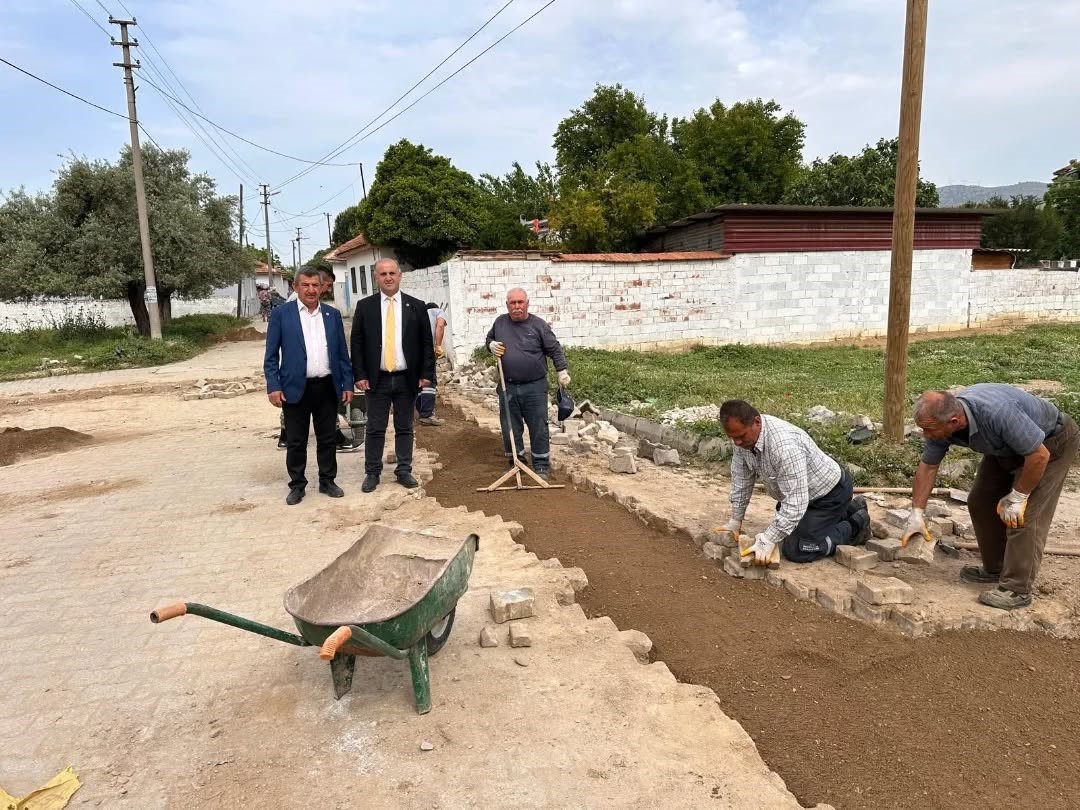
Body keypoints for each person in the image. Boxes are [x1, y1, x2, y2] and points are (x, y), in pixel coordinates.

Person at [905, 385, 1079, 610]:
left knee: (1023, 516)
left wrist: (1018, 497)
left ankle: (1017, 589)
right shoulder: (942, 421)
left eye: (929, 430)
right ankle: (995, 569)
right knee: (981, 502)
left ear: (954, 422)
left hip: (1050, 445)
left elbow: (1038, 456)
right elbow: (928, 466)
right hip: (1006, 447)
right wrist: (916, 513)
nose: (926, 435)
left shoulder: (997, 414)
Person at [716, 400, 870, 565]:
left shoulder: (784, 447)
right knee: (785, 526)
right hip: (806, 495)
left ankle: (857, 526)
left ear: (756, 422)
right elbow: (742, 479)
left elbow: (796, 504)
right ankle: (851, 509)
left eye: (741, 436)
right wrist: (736, 520)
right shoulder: (744, 441)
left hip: (829, 496)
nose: (737, 443)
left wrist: (767, 540)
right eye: (733, 438)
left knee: (798, 549)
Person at [263, 267, 354, 505]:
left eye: (316, 285)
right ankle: (297, 485)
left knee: (327, 438)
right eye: (306, 285)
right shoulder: (282, 315)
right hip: (294, 388)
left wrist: (347, 383)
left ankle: (327, 481)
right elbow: (271, 356)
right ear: (295, 287)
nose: (311, 290)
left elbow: (342, 354)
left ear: (322, 287)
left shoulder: (331, 315)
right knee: (296, 440)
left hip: (326, 386)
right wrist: (273, 386)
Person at [350, 258, 434, 493]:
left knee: (404, 426)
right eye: (383, 274)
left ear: (400, 276)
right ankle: (372, 472)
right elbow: (356, 343)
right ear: (376, 278)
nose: (388, 277)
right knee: (375, 428)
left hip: (407, 378)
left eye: (392, 273)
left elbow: (427, 343)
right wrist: (359, 373)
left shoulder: (416, 306)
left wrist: (427, 373)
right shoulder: (365, 307)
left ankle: (404, 470)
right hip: (376, 379)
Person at [485, 287, 569, 480]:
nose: (516, 307)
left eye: (520, 302)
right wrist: (490, 345)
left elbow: (554, 349)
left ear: (527, 303)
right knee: (509, 426)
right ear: (507, 305)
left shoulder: (538, 325)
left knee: (538, 425)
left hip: (535, 386)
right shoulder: (500, 323)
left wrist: (561, 370)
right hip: (508, 386)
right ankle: (516, 462)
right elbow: (489, 339)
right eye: (512, 303)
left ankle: (541, 465)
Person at [416, 303, 448, 426]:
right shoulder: (439, 312)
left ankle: (419, 411)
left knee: (419, 381)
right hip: (427, 349)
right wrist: (438, 345)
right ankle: (427, 415)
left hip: (414, 351)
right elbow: (440, 325)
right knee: (430, 381)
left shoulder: (419, 313)